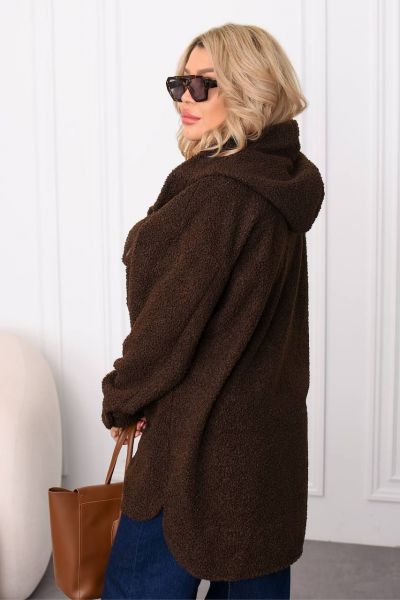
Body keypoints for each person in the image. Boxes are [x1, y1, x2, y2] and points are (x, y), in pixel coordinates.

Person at [101, 22, 325, 600]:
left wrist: (123, 398)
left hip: (194, 445)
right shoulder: (279, 181)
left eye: (205, 83)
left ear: (250, 89)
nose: (186, 96)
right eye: (179, 82)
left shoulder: (219, 192)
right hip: (264, 442)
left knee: (136, 589)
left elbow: (167, 329)